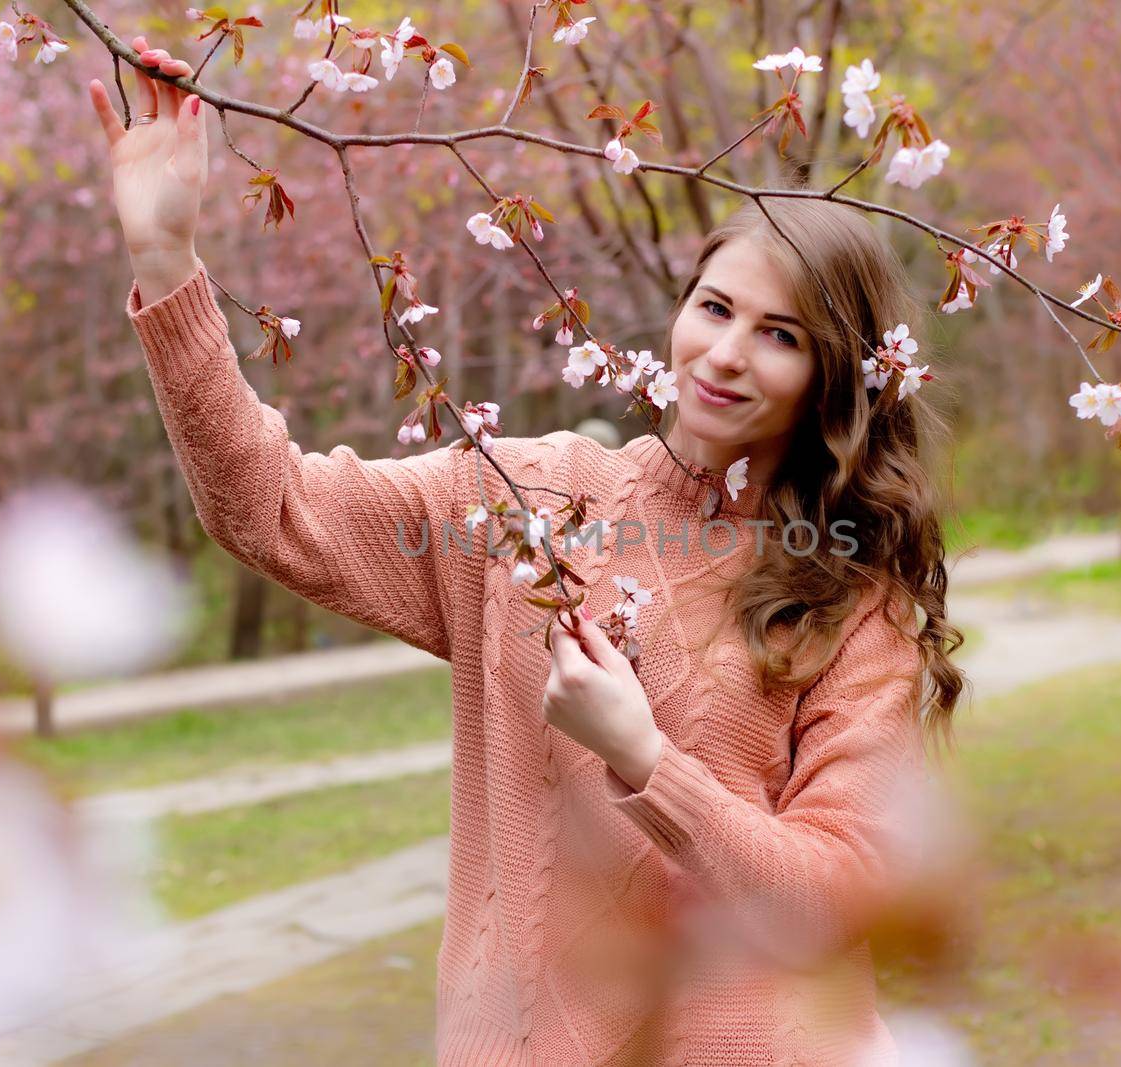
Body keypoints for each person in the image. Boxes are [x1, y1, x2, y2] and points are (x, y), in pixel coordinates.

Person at [89, 38, 966, 1067]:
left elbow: (832, 896)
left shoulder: (850, 601)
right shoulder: (525, 499)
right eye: (715, 308)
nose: (727, 353)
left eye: (781, 334)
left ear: (834, 374)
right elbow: (269, 507)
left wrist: (646, 759)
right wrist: (167, 262)